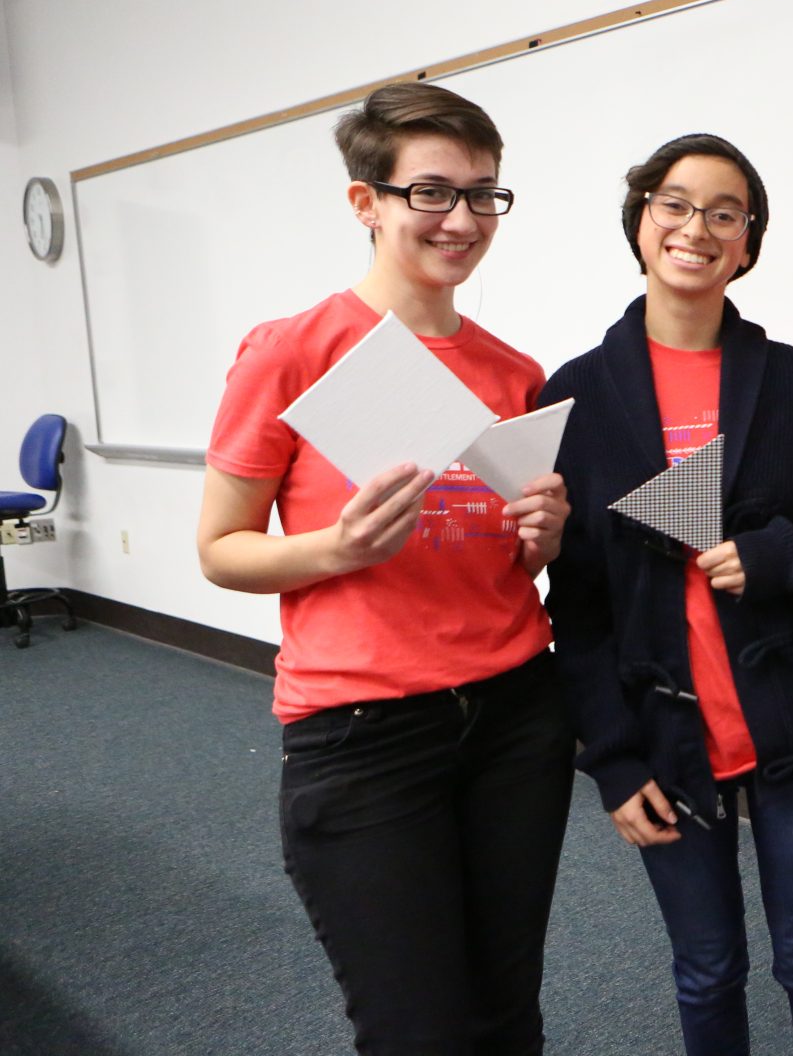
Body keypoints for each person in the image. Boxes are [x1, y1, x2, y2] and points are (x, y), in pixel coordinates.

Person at [196, 82, 575, 1054]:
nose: (464, 218)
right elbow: (219, 547)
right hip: (363, 733)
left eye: (485, 193)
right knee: (415, 1026)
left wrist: (542, 533)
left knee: (505, 1008)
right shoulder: (293, 352)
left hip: (515, 716)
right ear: (366, 202)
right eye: (434, 192)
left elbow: (507, 560)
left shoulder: (510, 370)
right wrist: (336, 549)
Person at [541, 133, 793, 1055]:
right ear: (641, 222)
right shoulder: (578, 396)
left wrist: (774, 558)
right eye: (674, 204)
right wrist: (610, 757)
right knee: (707, 968)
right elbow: (576, 602)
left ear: (749, 243)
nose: (697, 228)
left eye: (725, 213)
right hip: (661, 735)